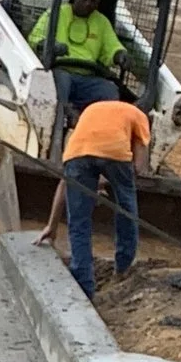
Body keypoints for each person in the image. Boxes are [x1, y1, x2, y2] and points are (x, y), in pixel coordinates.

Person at [59, 90, 149, 299]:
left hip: (77, 153)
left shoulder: (92, 109)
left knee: (78, 222)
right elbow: (140, 165)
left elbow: (80, 163)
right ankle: (123, 267)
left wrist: (96, 182)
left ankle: (84, 285)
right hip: (116, 153)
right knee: (126, 209)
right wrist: (125, 178)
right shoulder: (139, 115)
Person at [28, 0, 128, 139]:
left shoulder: (101, 22)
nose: (89, 3)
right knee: (62, 82)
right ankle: (56, 132)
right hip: (60, 71)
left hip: (88, 77)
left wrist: (119, 55)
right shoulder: (56, 14)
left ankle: (102, 135)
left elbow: (111, 47)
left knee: (109, 90)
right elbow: (34, 38)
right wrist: (49, 45)